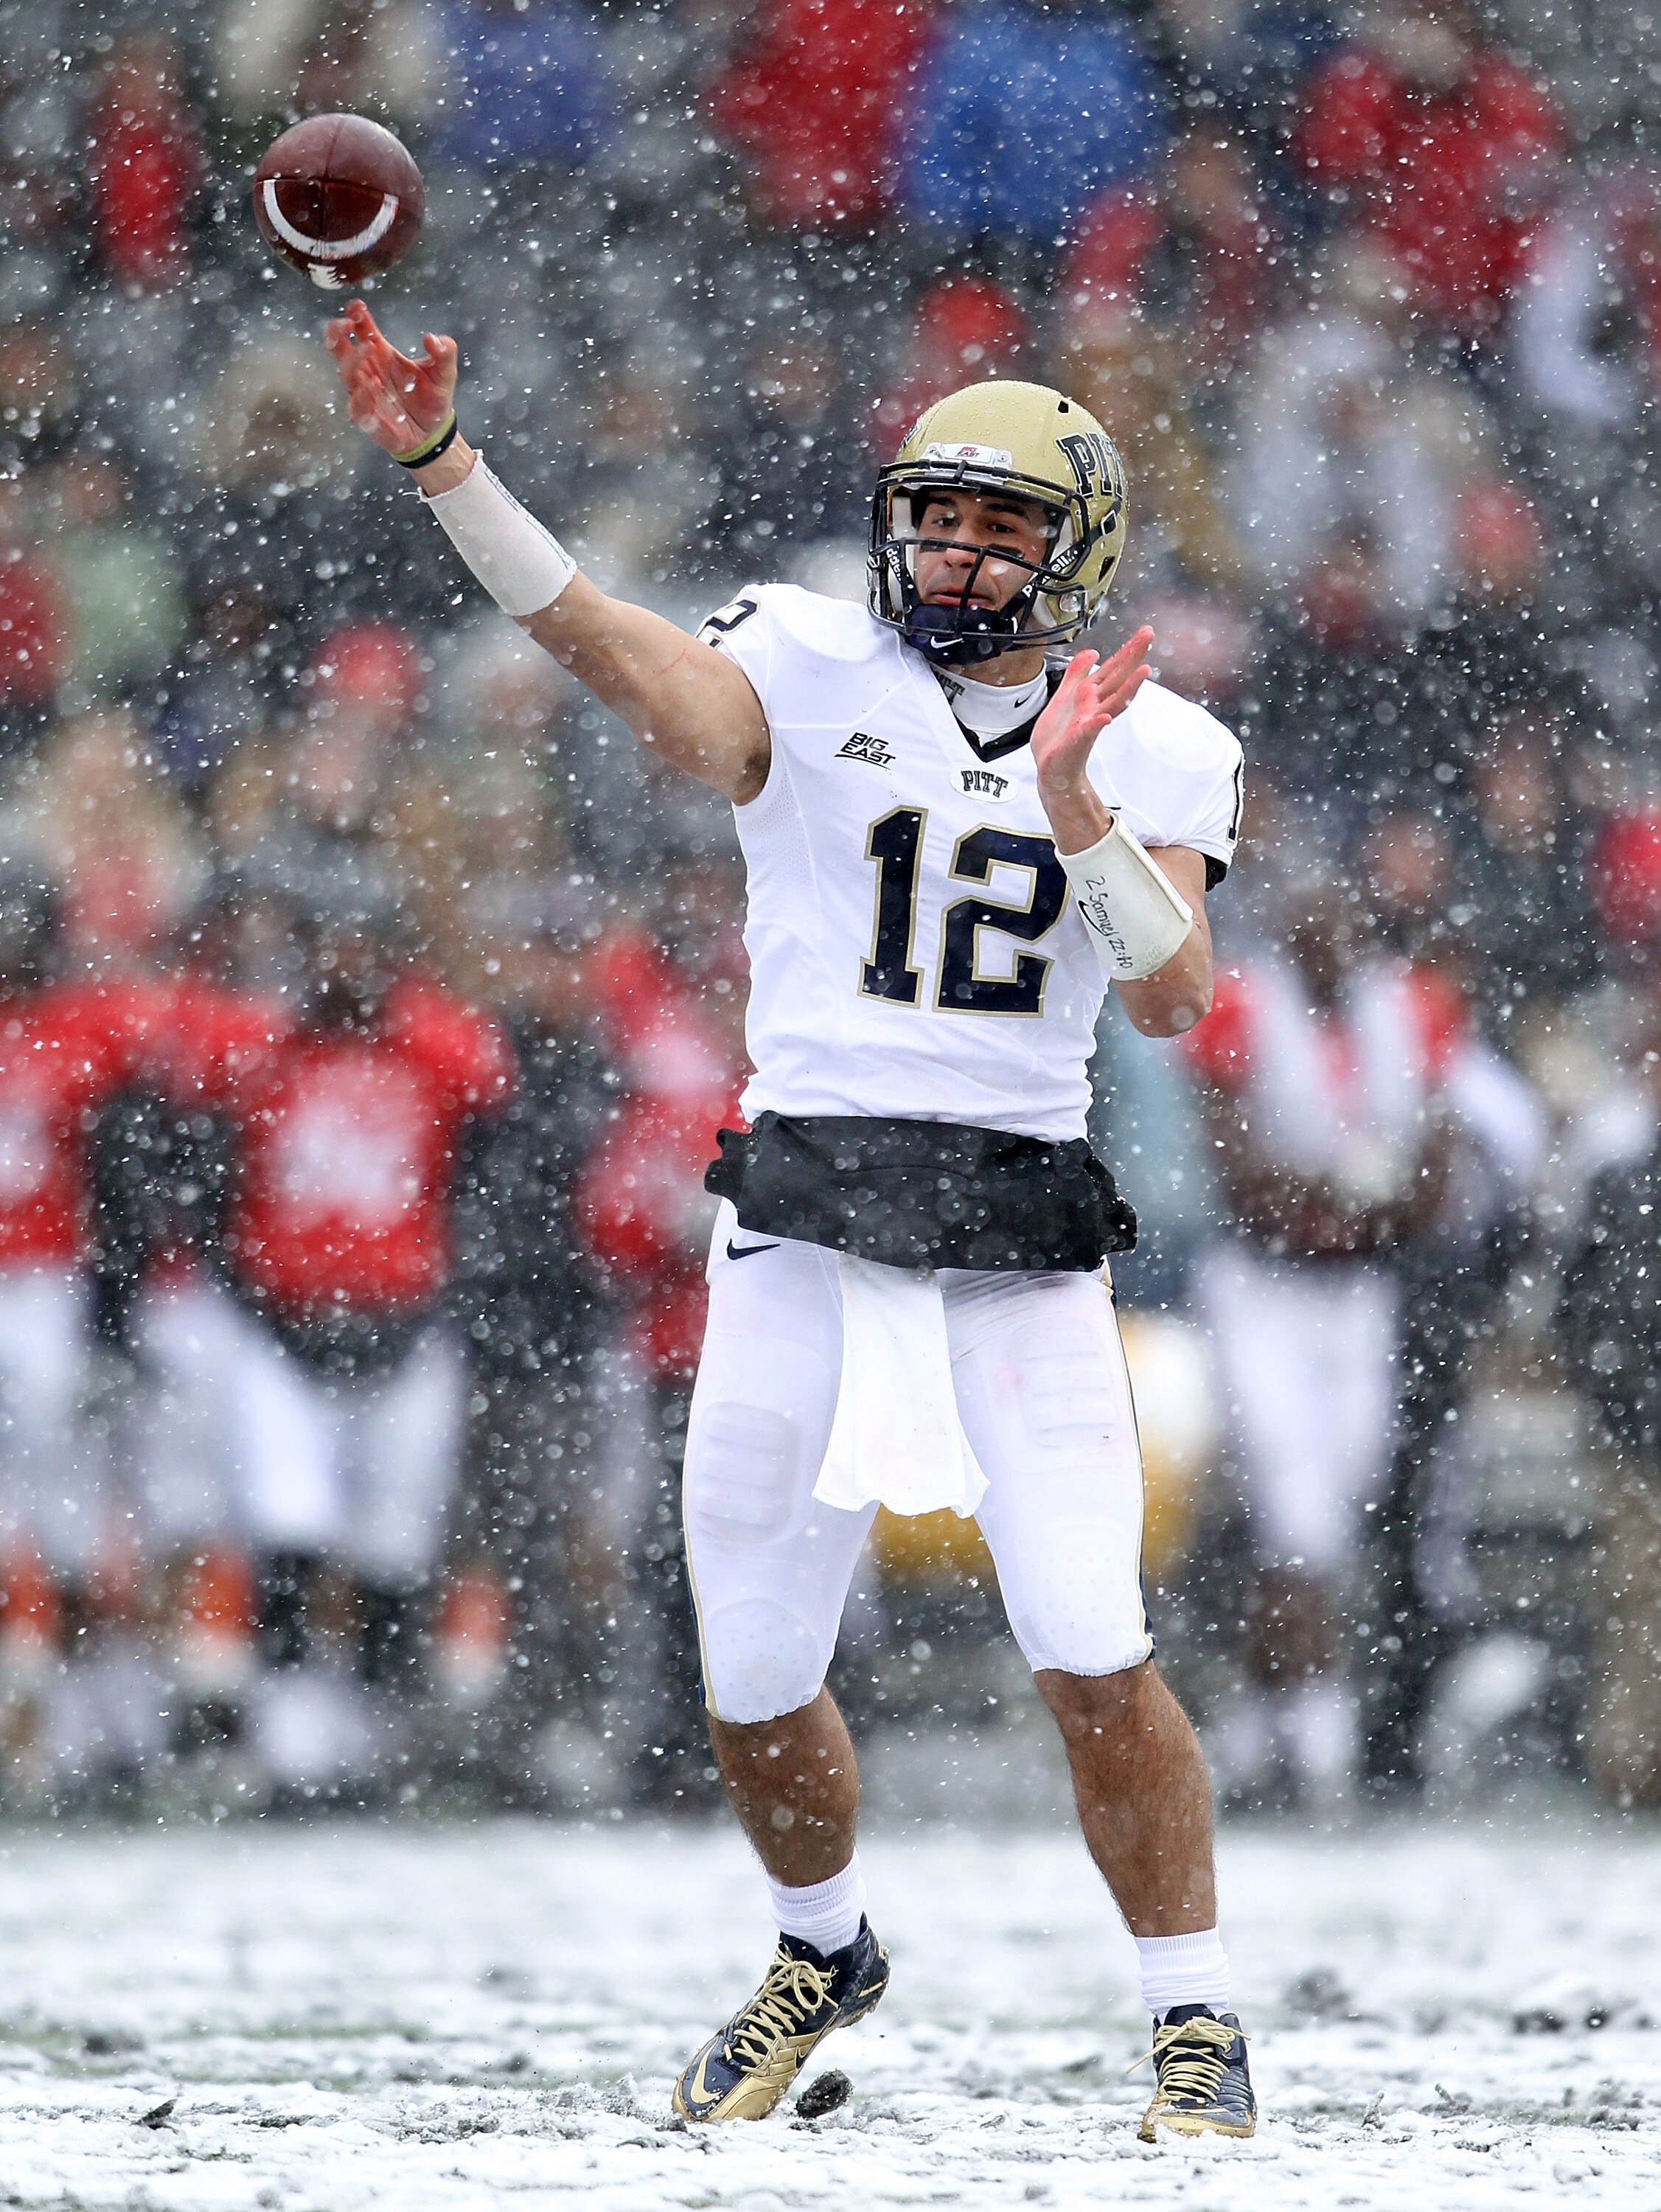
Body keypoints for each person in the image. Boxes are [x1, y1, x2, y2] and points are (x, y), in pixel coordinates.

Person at [324, 296, 1253, 2141]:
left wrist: (1071, 806)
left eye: (998, 524)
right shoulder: (812, 660)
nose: (954, 550)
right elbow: (609, 648)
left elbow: (1167, 1000)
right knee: (751, 1669)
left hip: (1011, 1240)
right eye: (936, 513)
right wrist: (448, 471)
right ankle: (816, 1947)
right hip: (808, 1217)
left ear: (1073, 549)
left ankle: (1194, 2012)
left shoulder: (1155, 743)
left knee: (1089, 1645)